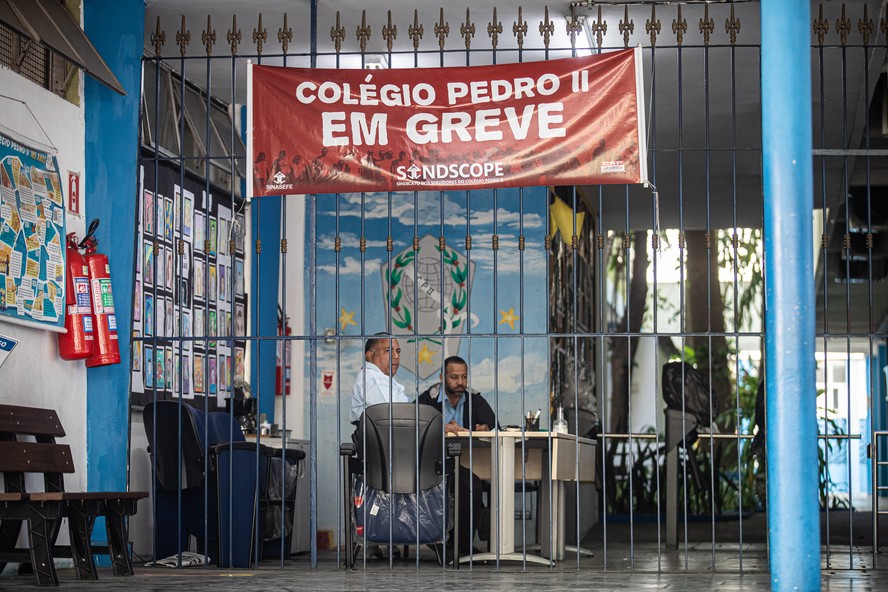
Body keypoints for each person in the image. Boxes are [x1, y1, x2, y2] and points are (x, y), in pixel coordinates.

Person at [418, 355, 496, 555]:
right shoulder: (428, 398)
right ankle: (457, 548)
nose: (460, 382)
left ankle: (459, 547)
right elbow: (414, 425)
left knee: (472, 485)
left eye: (464, 377)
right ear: (443, 376)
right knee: (469, 485)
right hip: (433, 462)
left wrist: (483, 428)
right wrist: (440, 428)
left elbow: (494, 426)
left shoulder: (474, 399)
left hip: (469, 460)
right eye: (454, 377)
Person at [349, 334, 408, 424]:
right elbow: (393, 417)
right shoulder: (374, 378)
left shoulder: (377, 377)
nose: (396, 356)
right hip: (388, 436)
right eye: (388, 351)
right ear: (370, 356)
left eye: (398, 351)